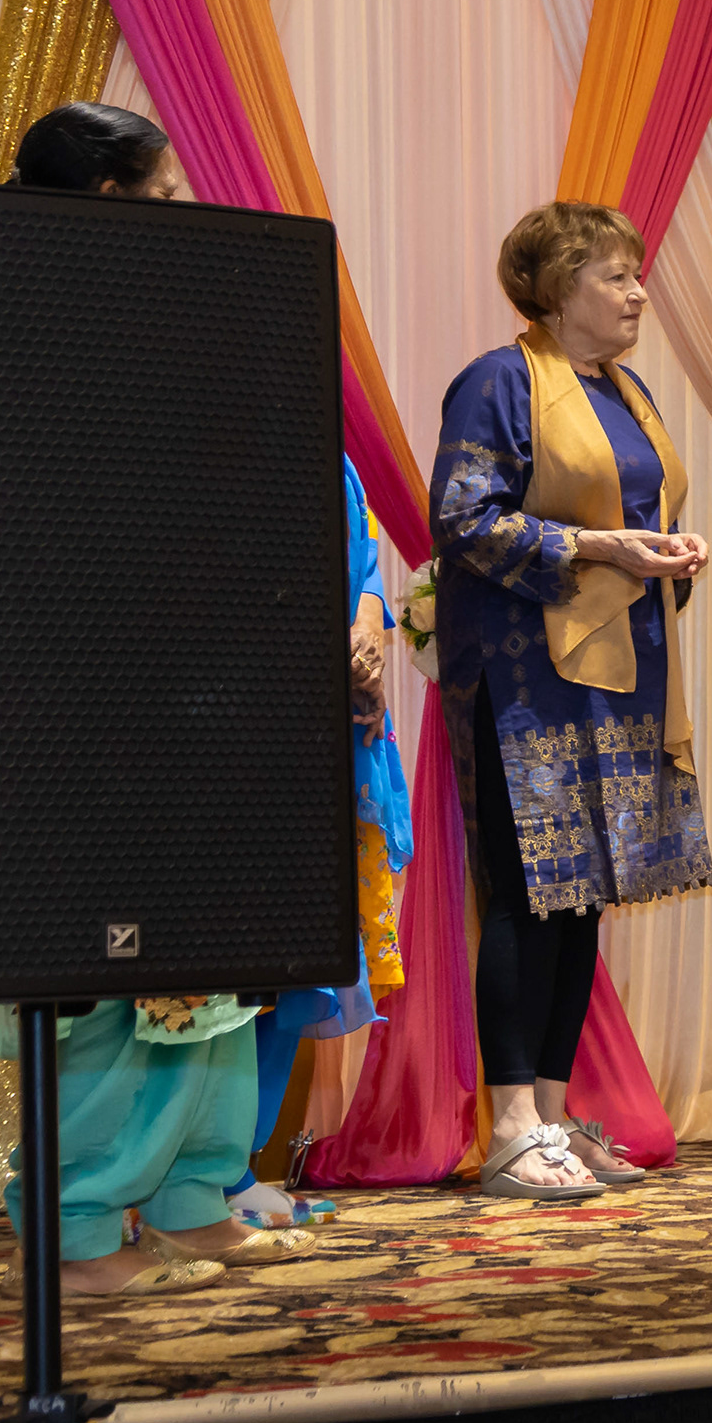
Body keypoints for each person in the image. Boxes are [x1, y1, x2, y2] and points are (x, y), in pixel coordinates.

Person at [0, 103, 310, 1291]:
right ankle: (73, 1226)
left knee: (206, 946)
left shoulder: (177, 320)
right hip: (87, 683)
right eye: (164, 198)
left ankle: (190, 1191)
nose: (185, 217)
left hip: (195, 671)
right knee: (111, 963)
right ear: (109, 202)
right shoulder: (18, 329)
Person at [431, 203, 712, 1198]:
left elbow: (637, 512)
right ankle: (510, 1124)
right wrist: (597, 546)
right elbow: (463, 519)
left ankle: (550, 1114)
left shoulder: (625, 389)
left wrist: (669, 549)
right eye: (616, 276)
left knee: (583, 893)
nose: (638, 293)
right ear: (556, 289)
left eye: (637, 275)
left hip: (619, 672)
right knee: (528, 892)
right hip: (523, 682)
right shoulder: (500, 380)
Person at [227, 459, 411, 1230]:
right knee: (229, 966)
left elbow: (360, 556)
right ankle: (193, 1177)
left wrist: (366, 630)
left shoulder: (323, 449)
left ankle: (232, 1171)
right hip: (236, 718)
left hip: (316, 728)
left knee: (294, 957)